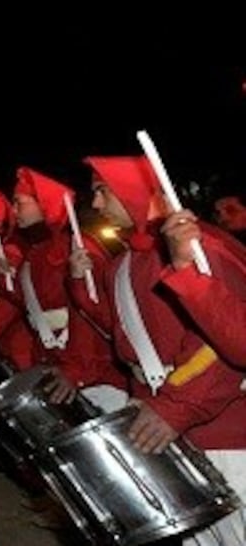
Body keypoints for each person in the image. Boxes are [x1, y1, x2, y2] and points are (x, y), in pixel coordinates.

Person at [70, 155, 246, 545]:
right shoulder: (123, 264)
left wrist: (174, 407)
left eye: (102, 191)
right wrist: (82, 287)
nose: (95, 205)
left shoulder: (203, 247)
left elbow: (224, 342)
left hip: (225, 436)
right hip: (171, 426)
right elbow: (130, 342)